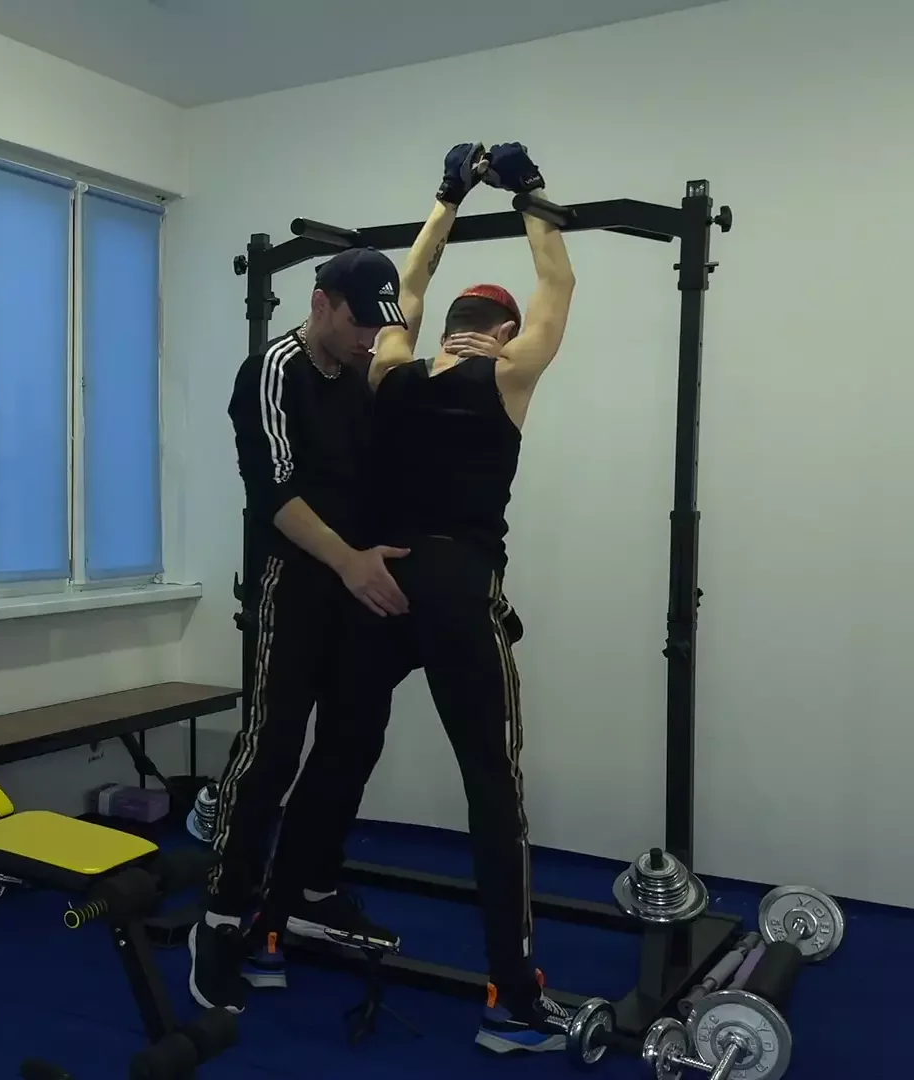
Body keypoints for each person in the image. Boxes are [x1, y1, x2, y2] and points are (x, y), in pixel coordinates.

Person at [329, 141, 578, 1052]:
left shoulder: (391, 367)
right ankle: (512, 1000)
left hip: (380, 580)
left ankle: (273, 925)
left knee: (340, 749)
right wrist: (528, 191)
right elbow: (558, 280)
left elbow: (408, 282)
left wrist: (448, 196)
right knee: (492, 786)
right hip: (459, 587)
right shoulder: (509, 374)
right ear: (503, 333)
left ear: (445, 331)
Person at [189, 240, 438, 1014]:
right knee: (271, 749)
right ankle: (221, 915)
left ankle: (309, 889)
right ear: (321, 304)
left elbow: (413, 296)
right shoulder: (272, 371)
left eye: (378, 328)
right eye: (359, 324)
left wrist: (449, 203)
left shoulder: (365, 370)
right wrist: (349, 562)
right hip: (295, 583)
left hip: (358, 588)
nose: (370, 340)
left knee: (355, 740)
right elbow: (274, 492)